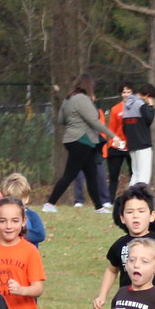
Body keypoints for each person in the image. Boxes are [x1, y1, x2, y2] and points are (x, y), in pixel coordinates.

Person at [93, 183, 155, 309]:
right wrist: (102, 296)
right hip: (127, 304)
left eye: (141, 211)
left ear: (152, 216)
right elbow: (112, 270)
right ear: (122, 218)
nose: (136, 216)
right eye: (130, 212)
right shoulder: (120, 245)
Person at [44, 73, 113, 210]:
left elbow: (61, 120)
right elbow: (94, 120)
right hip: (82, 140)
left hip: (72, 140)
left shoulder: (68, 99)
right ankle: (50, 203)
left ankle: (99, 207)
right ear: (89, 86)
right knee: (70, 174)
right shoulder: (83, 99)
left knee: (91, 174)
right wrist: (112, 136)